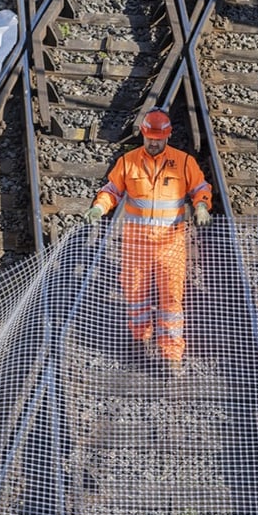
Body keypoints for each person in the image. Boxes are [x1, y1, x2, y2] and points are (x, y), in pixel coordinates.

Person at [85, 108, 213, 372]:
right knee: (135, 296)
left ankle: (171, 356)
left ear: (167, 136)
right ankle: (139, 340)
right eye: (149, 138)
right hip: (136, 245)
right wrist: (99, 207)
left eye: (158, 138)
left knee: (171, 300)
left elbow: (200, 187)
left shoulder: (184, 162)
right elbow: (111, 190)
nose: (153, 143)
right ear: (143, 134)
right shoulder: (128, 161)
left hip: (171, 245)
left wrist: (202, 206)